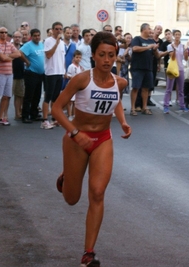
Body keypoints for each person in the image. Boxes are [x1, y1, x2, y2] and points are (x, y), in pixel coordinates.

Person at [51, 31, 131, 267]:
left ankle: (88, 254)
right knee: (72, 199)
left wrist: (123, 121)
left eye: (111, 55)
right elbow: (56, 109)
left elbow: (114, 103)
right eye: (102, 55)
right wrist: (75, 133)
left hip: (103, 140)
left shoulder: (121, 82)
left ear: (116, 56)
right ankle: (66, 178)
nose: (107, 60)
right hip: (77, 140)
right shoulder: (82, 80)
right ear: (93, 55)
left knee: (97, 193)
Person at [0, 27, 21, 127]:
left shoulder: (9, 44)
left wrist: (7, 56)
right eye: (2, 32)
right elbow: (2, 58)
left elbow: (18, 54)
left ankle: (0, 117)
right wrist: (10, 56)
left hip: (9, 73)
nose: (3, 34)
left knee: (6, 96)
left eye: (5, 32)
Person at [129, 23, 159, 116]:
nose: (150, 30)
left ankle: (144, 107)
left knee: (146, 88)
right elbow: (135, 48)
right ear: (143, 30)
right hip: (137, 68)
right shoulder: (137, 39)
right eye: (149, 28)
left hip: (148, 68)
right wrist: (148, 47)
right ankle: (133, 108)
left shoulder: (151, 41)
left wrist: (154, 50)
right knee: (136, 88)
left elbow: (157, 55)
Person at [20, 28, 45, 123]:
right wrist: (26, 61)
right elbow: (20, 53)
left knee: (37, 96)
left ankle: (34, 114)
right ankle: (25, 115)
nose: (37, 37)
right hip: (31, 73)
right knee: (29, 96)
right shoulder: (28, 45)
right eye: (35, 36)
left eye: (38, 35)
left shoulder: (41, 45)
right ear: (31, 36)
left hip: (40, 74)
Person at [163, 29, 189, 113]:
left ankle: (182, 105)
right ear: (174, 36)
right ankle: (166, 106)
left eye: (179, 34)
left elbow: (185, 58)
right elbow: (172, 57)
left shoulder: (182, 46)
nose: (177, 36)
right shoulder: (170, 46)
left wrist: (186, 52)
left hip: (180, 68)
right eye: (176, 34)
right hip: (172, 69)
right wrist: (174, 49)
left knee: (181, 89)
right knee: (169, 89)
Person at [65, 50, 84, 120]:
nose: (78, 59)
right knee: (70, 101)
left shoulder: (80, 67)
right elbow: (68, 75)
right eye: (77, 57)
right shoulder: (71, 66)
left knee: (75, 102)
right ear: (74, 58)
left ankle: (73, 115)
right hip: (71, 85)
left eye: (80, 57)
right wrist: (73, 78)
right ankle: (69, 115)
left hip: (77, 86)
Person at [12, 31, 25, 120]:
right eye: (15, 37)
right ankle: (16, 113)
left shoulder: (23, 47)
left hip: (21, 74)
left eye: (19, 37)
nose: (17, 38)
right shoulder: (10, 47)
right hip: (11, 74)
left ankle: (19, 112)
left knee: (20, 95)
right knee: (10, 96)